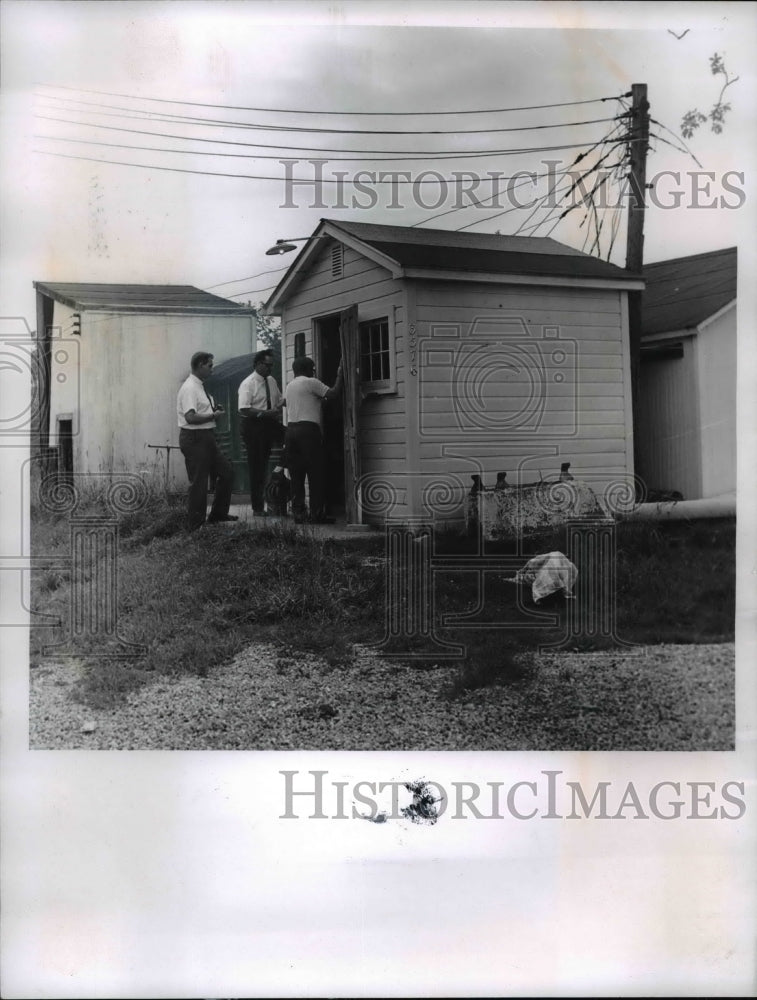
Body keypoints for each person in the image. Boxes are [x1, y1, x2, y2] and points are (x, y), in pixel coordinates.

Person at [176, 351, 237, 530]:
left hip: (206, 437)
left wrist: (213, 411)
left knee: (227, 473)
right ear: (200, 365)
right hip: (194, 438)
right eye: (210, 365)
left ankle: (218, 514)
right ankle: (195, 525)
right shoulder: (189, 388)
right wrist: (213, 415)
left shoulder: (200, 386)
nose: (212, 369)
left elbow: (200, 413)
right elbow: (190, 417)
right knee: (199, 481)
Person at [284, 355, 343, 524]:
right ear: (310, 369)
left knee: (296, 474)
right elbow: (333, 394)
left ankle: (298, 513)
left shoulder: (290, 386)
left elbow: (310, 403)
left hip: (291, 430)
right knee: (315, 473)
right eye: (313, 369)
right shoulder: (311, 382)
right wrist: (340, 374)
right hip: (308, 431)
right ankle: (317, 514)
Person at [237, 349, 284, 516]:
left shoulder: (271, 380)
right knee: (257, 465)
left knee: (293, 441)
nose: (270, 369)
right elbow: (244, 409)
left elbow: (279, 400)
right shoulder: (248, 383)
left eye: (272, 365)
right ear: (257, 364)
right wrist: (265, 413)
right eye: (267, 365)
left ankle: (281, 481)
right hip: (254, 425)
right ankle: (258, 507)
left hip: (270, 422)